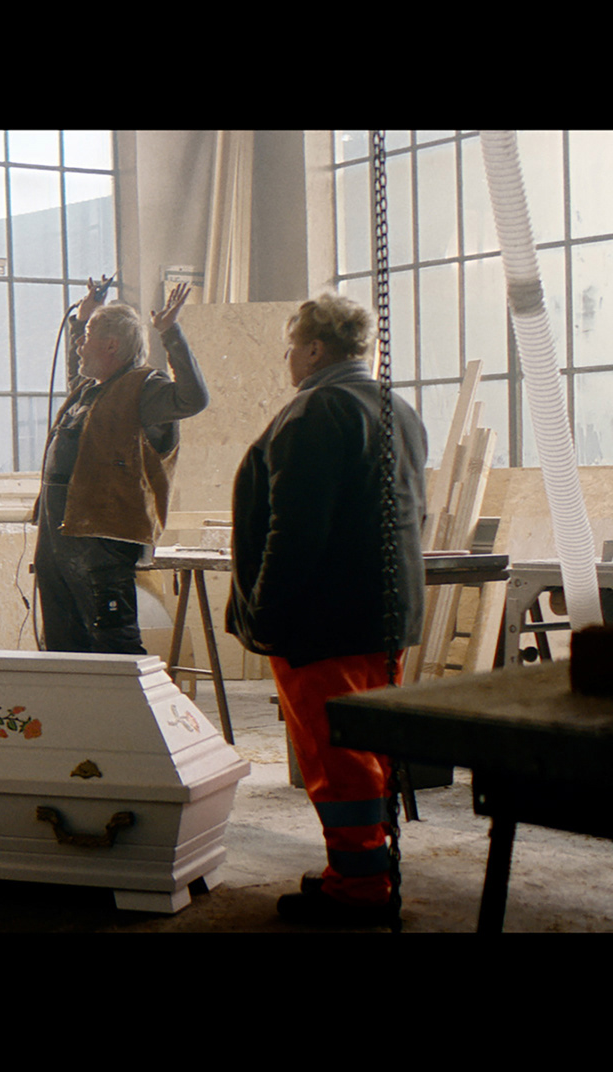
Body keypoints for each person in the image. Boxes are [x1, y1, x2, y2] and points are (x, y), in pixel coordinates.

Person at [226, 293, 427, 926]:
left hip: (321, 620)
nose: (287, 358)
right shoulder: (396, 408)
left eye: (291, 346)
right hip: (382, 615)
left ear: (315, 349)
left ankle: (359, 892)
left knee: (335, 758)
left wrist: (266, 612)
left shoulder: (317, 410)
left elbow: (295, 530)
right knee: (368, 748)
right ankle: (362, 870)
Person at [35, 280, 207, 654]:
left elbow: (193, 398)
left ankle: (129, 694)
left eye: (88, 338)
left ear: (112, 345)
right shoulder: (90, 389)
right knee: (63, 638)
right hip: (59, 533)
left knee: (113, 639)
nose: (80, 346)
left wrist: (170, 333)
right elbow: (77, 372)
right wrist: (83, 321)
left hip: (102, 537)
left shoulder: (144, 389)